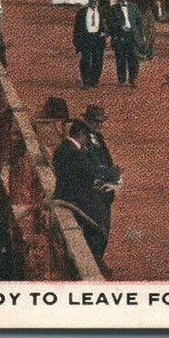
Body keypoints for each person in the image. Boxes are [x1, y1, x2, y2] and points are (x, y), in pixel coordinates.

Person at [52, 105, 121, 263]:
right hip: (80, 195)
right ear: (82, 132)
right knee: (98, 227)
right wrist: (107, 176)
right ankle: (94, 260)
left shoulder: (91, 141)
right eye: (95, 122)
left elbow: (100, 162)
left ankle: (96, 257)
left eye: (99, 122)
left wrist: (109, 173)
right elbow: (87, 170)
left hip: (87, 188)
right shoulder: (74, 150)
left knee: (102, 221)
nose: (97, 126)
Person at [72, 0, 108, 88]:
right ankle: (86, 81)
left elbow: (107, 24)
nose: (94, 3)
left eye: (96, 1)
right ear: (89, 1)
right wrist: (76, 41)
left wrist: (105, 32)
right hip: (86, 38)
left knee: (98, 60)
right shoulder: (82, 12)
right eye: (92, 1)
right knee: (86, 60)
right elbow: (77, 27)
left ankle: (94, 80)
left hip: (98, 38)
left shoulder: (101, 12)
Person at [109, 0, 141, 88]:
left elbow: (139, 21)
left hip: (132, 36)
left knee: (134, 58)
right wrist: (120, 27)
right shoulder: (113, 9)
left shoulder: (134, 7)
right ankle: (122, 80)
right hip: (120, 36)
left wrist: (139, 33)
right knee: (121, 58)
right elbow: (110, 23)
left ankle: (133, 79)